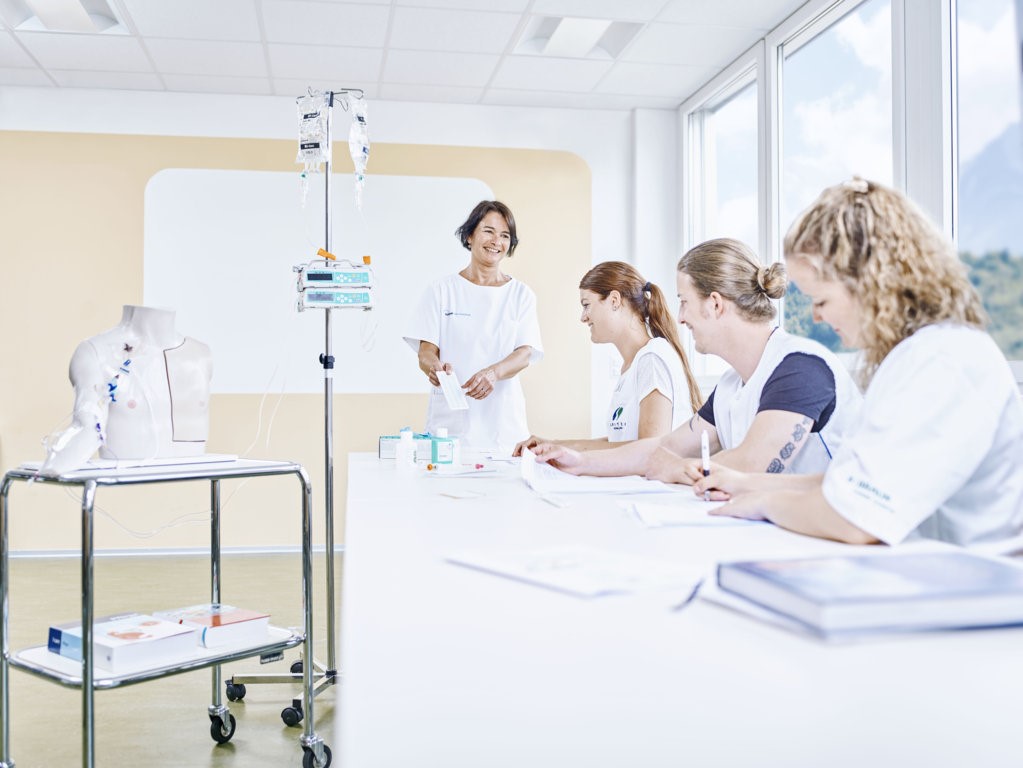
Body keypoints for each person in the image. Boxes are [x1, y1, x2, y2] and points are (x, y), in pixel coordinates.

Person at [691, 178, 1023, 550]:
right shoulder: (916, 355)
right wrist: (750, 484)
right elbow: (850, 483)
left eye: (821, 301)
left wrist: (763, 503)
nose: (816, 317)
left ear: (871, 283)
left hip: (972, 573)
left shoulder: (942, 361)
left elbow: (855, 518)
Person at [531, 238, 862, 481]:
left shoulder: (800, 367)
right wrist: (579, 461)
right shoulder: (731, 386)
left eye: (684, 301)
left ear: (715, 304)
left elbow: (751, 465)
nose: (680, 317)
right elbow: (664, 447)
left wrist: (674, 468)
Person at [514, 262, 700, 455]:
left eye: (586, 305)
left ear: (614, 300)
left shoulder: (652, 359)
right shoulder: (633, 366)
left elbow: (648, 450)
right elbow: (617, 443)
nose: (583, 317)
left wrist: (567, 453)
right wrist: (553, 445)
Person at [404, 200, 543, 452]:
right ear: (469, 236)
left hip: (503, 424)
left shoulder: (521, 295)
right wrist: (433, 367)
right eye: (488, 231)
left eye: (505, 235)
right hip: (450, 424)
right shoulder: (441, 290)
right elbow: (426, 351)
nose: (496, 241)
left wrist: (493, 373)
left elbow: (524, 353)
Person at [40, 305, 213, 475]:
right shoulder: (96, 352)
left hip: (194, 467)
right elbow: (89, 425)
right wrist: (53, 466)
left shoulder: (201, 355)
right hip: (126, 468)